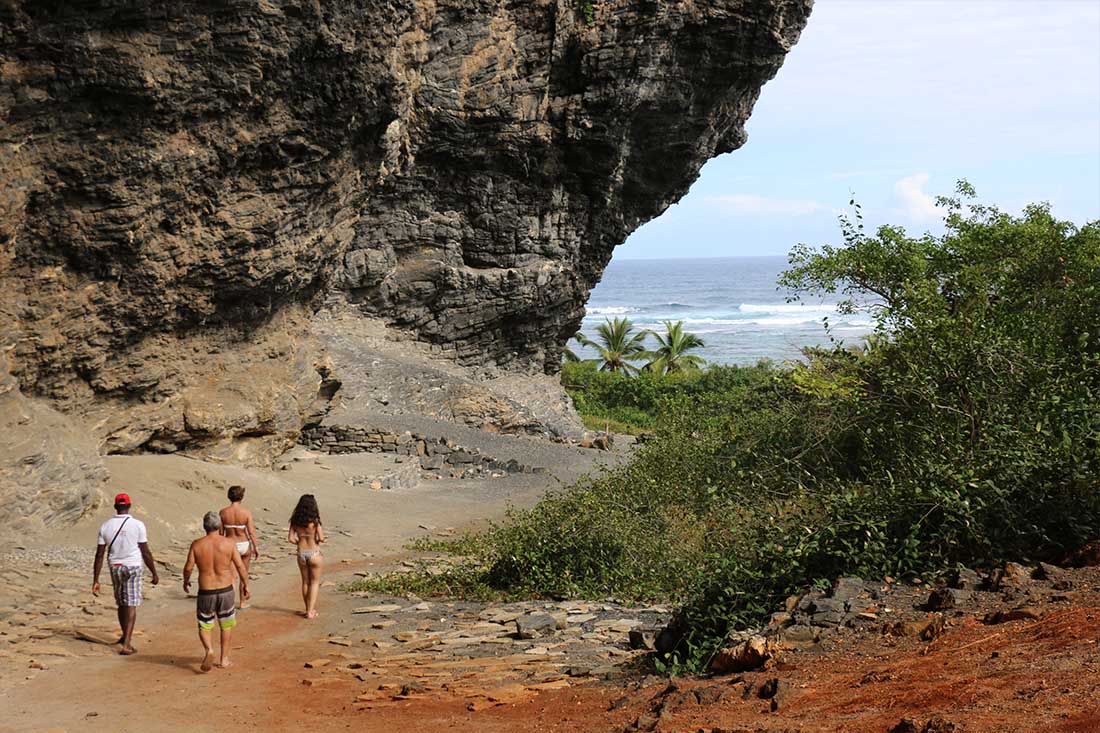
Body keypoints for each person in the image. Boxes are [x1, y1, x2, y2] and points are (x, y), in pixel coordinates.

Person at [92, 492, 160, 655]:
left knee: (121, 602)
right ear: (129, 506)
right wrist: (154, 572)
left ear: (116, 507)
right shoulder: (137, 525)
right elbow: (145, 551)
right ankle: (127, 644)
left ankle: (124, 636)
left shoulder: (105, 526)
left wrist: (95, 579)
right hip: (133, 566)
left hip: (115, 566)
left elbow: (100, 554)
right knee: (131, 603)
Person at [183, 511, 250, 672]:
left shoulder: (197, 544)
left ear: (204, 526)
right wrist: (245, 584)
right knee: (226, 624)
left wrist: (186, 581)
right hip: (225, 588)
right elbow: (240, 566)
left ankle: (209, 650)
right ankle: (224, 659)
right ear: (219, 525)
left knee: (205, 624)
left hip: (206, 590)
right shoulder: (228, 543)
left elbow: (189, 567)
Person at [219, 485, 259, 609]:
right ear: (241, 497)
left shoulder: (223, 512)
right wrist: (255, 547)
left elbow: (221, 533)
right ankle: (242, 603)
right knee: (244, 573)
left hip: (230, 544)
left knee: (232, 576)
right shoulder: (246, 512)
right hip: (244, 544)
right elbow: (251, 532)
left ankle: (230, 603)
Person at [288, 494, 325, 619]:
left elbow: (290, 538)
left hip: (301, 553)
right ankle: (310, 611)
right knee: (314, 583)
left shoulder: (295, 521)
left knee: (305, 582)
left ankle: (307, 609)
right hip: (314, 552)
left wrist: (299, 542)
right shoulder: (314, 521)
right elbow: (321, 538)